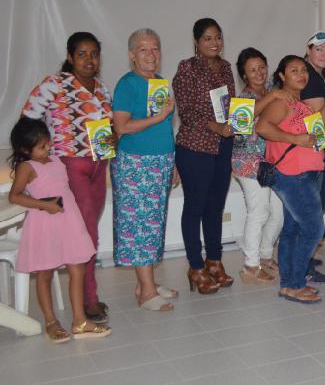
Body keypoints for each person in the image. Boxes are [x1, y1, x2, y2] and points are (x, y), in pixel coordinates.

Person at [22, 31, 113, 323]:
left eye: (94, 54)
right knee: (86, 231)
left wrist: (113, 139)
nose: (89, 60)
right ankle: (88, 299)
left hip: (99, 165)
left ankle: (86, 294)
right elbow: (27, 122)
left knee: (89, 228)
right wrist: (39, 156)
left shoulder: (102, 88)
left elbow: (108, 125)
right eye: (82, 54)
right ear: (70, 57)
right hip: (70, 165)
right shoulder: (54, 84)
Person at [7, 118, 111, 342]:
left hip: (68, 219)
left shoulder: (56, 160)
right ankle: (51, 321)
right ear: (25, 149)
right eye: (41, 146)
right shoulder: (27, 167)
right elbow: (14, 196)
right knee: (45, 273)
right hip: (45, 222)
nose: (48, 148)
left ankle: (79, 320)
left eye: (48, 143)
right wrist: (43, 205)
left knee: (77, 267)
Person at [256, 56, 325, 304]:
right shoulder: (281, 101)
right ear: (282, 76)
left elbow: (321, 124)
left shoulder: (301, 104)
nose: (301, 74)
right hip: (293, 175)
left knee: (293, 230)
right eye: (294, 70)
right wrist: (295, 139)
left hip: (306, 173)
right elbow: (263, 127)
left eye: (303, 70)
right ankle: (294, 283)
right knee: (313, 229)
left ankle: (289, 285)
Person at [110, 29, 179, 310]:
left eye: (155, 48)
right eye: (143, 49)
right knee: (140, 226)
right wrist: (158, 116)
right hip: (136, 164)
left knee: (154, 224)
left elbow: (165, 127)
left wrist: (173, 162)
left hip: (160, 161)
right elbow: (121, 126)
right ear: (132, 55)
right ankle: (147, 293)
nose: (151, 54)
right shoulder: (127, 84)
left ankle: (145, 283)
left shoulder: (159, 82)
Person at [173, 18, 236, 294]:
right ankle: (196, 267)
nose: (215, 43)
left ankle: (214, 261)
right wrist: (215, 127)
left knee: (215, 207)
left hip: (223, 146)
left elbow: (230, 105)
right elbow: (186, 111)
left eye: (218, 37)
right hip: (195, 147)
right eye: (208, 38)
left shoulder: (226, 67)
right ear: (196, 42)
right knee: (195, 206)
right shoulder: (187, 68)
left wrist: (236, 121)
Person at [231, 48, 283, 285]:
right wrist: (271, 98)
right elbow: (239, 127)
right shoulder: (243, 99)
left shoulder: (272, 89)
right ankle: (250, 266)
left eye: (262, 67)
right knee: (259, 212)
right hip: (248, 163)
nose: (259, 73)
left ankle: (265, 255)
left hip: (271, 162)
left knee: (278, 214)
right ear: (244, 75)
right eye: (252, 70)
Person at [302, 31, 325, 281]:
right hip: (309, 152)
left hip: (316, 151)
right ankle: (302, 265)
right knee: (311, 209)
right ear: (308, 50)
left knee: (316, 206)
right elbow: (318, 123)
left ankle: (303, 257)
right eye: (319, 49)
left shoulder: (320, 76)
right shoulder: (309, 77)